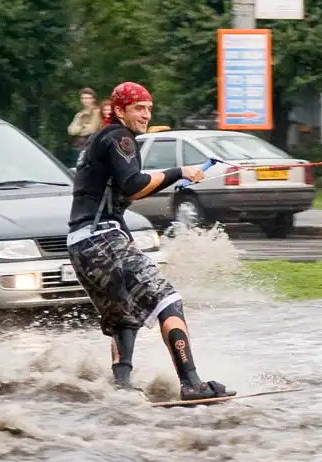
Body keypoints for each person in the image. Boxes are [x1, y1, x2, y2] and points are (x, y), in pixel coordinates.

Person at [67, 82, 235, 401]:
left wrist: (177, 177)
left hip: (80, 245)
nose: (145, 115)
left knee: (124, 316)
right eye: (138, 109)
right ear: (119, 111)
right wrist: (180, 171)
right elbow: (133, 185)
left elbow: (125, 189)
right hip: (102, 238)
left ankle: (121, 387)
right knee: (168, 301)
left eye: (149, 109)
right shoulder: (121, 137)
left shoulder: (97, 141)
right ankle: (192, 383)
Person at [67, 87, 102, 157]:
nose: (86, 100)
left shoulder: (97, 112)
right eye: (84, 98)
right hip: (77, 146)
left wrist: (79, 128)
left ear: (93, 99)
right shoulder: (79, 114)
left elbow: (91, 130)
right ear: (81, 100)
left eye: (89, 98)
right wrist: (83, 126)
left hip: (90, 147)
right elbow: (71, 131)